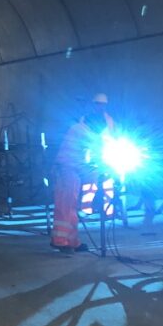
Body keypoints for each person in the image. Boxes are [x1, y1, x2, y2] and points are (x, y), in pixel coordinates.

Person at [51, 93, 113, 253]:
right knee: (66, 205)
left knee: (73, 207)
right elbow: (94, 156)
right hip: (67, 169)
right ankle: (59, 240)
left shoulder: (82, 128)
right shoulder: (85, 133)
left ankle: (72, 241)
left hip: (75, 169)